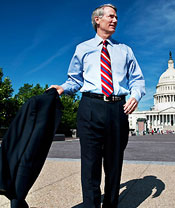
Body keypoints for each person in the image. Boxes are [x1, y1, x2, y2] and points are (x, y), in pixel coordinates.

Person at [49, 4, 145, 208]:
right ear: (97, 20)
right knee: (90, 164)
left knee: (114, 164)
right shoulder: (82, 49)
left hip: (117, 108)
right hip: (90, 107)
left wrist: (135, 96)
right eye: (111, 16)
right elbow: (74, 80)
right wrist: (62, 89)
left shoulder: (125, 50)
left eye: (116, 17)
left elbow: (137, 79)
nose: (115, 20)